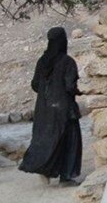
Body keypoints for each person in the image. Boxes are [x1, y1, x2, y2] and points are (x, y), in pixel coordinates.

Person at [18, 27, 82, 186]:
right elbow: (69, 86)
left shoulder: (42, 61)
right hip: (64, 109)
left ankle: (44, 170)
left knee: (45, 140)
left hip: (44, 109)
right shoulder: (68, 62)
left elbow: (34, 85)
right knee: (69, 141)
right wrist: (78, 91)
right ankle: (66, 177)